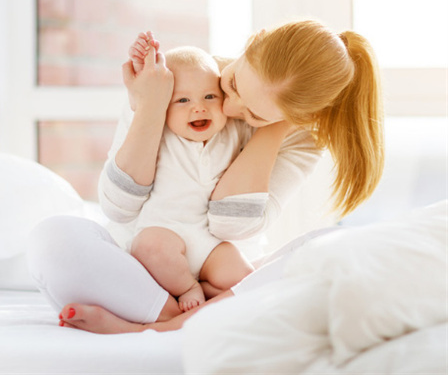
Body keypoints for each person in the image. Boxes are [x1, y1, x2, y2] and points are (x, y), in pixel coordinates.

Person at [27, 19, 384, 333]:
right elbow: (118, 206)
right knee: (53, 238)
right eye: (232, 85)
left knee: (331, 246)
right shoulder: (179, 79)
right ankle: (177, 315)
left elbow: (229, 225)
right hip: (139, 272)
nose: (228, 109)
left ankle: (158, 327)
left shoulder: (303, 138)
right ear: (252, 42)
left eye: (254, 115)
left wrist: (275, 127)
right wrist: (151, 105)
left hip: (229, 277)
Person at [124, 35, 255, 312]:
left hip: (209, 240)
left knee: (244, 278)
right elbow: (141, 99)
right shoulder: (161, 130)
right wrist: (143, 65)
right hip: (165, 230)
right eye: (182, 100)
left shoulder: (233, 130)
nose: (199, 107)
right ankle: (187, 287)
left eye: (210, 96)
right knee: (148, 248)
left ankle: (201, 289)